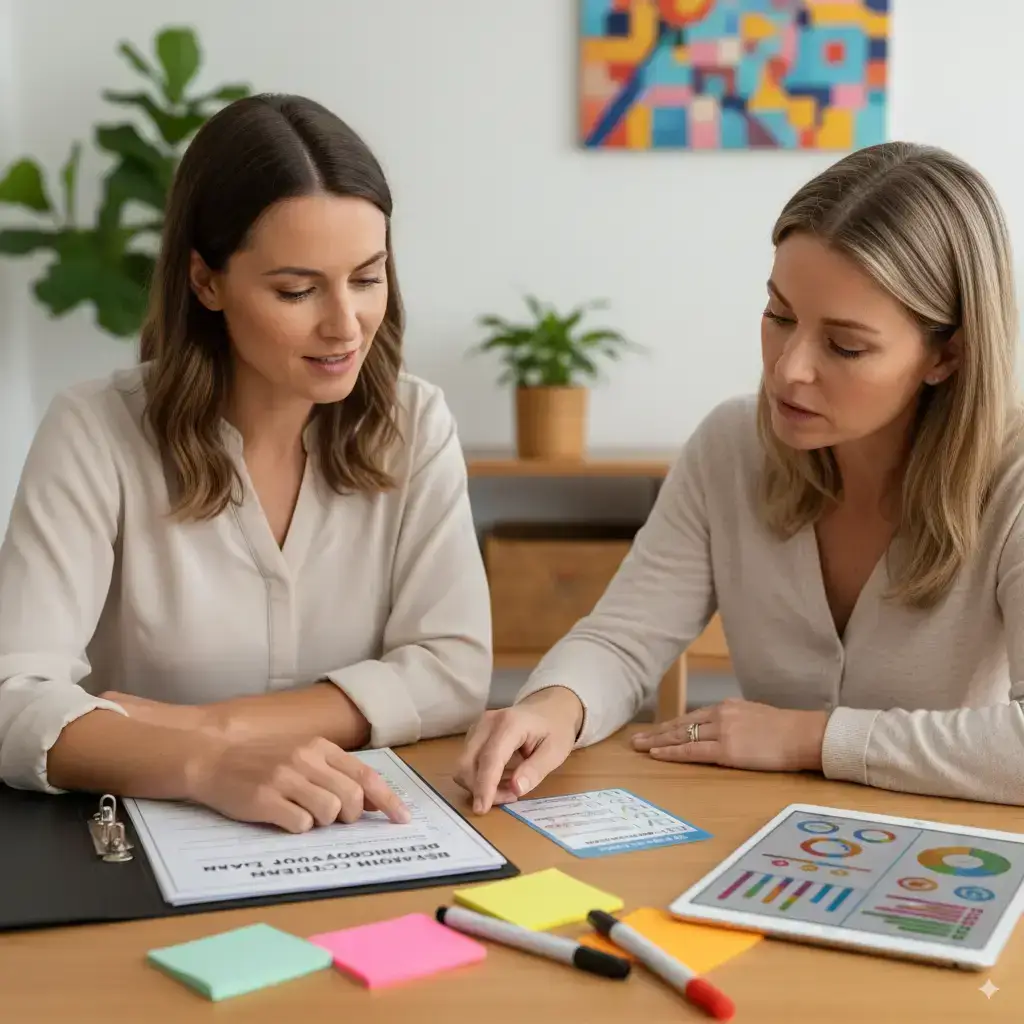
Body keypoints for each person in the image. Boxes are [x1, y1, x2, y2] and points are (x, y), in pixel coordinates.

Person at [456, 140, 1024, 812]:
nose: (788, 370)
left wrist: (809, 740)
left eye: (844, 345)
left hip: (949, 868)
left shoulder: (1011, 479)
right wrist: (555, 707)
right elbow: (624, 638)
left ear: (947, 355)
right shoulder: (731, 446)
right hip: (758, 843)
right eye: (779, 315)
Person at [0, 94, 492, 833]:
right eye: (296, 290)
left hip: (360, 833)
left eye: (367, 277)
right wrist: (201, 765)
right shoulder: (95, 431)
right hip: (137, 846)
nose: (345, 323)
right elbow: (13, 692)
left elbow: (452, 670)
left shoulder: (413, 423)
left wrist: (220, 729)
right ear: (206, 282)